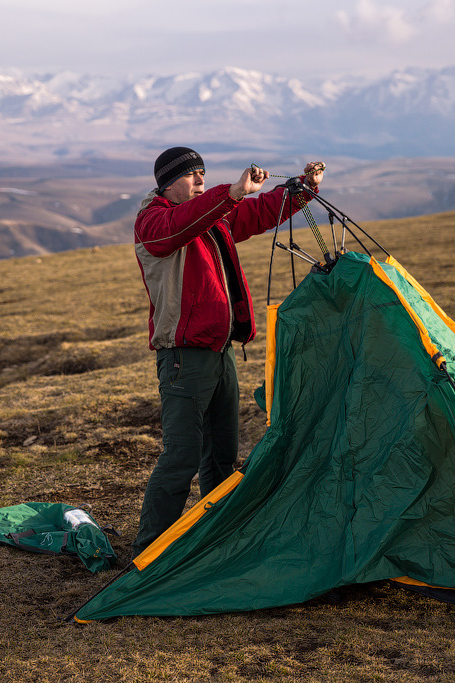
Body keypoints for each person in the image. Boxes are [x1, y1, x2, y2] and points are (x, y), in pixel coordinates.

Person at [130, 146, 324, 557]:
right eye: (191, 175)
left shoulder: (206, 215)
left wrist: (303, 190)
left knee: (221, 455)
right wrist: (232, 191)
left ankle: (215, 539)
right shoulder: (155, 222)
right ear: (167, 182)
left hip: (220, 351)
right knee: (181, 456)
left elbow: (255, 215)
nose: (200, 180)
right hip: (183, 355)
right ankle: (148, 552)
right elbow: (179, 226)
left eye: (203, 173)